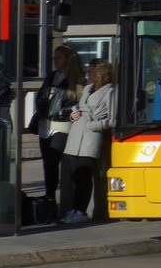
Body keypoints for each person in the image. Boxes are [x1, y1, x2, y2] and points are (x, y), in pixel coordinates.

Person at [59, 60, 115, 225]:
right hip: (76, 134)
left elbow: (112, 119)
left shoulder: (110, 91)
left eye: (91, 71)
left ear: (100, 73)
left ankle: (82, 210)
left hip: (90, 135)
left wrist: (93, 125)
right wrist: (73, 115)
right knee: (74, 176)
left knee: (84, 176)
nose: (87, 74)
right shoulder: (87, 88)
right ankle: (75, 209)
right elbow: (79, 107)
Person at [32, 45, 86, 208]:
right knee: (47, 163)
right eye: (54, 58)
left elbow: (77, 104)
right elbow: (41, 95)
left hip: (61, 125)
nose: (55, 61)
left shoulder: (75, 80)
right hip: (45, 124)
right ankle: (50, 198)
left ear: (67, 60)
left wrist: (63, 112)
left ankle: (61, 200)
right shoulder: (51, 76)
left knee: (54, 161)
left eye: (58, 58)